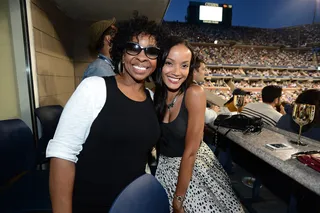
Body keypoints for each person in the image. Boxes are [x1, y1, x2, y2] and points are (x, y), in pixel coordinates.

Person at [46, 16, 164, 213]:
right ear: (121, 51)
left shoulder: (152, 99)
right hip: (93, 204)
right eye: (133, 48)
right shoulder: (94, 88)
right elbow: (62, 155)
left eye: (151, 51)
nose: (142, 57)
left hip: (134, 204)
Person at [153, 36, 243, 213]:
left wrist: (178, 200)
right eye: (170, 63)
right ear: (160, 63)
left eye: (184, 65)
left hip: (193, 170)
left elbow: (191, 152)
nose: (177, 72)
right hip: (164, 169)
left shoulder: (194, 93)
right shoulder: (158, 94)